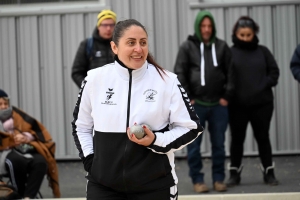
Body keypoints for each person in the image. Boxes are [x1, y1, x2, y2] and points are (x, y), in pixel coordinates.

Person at [71, 19, 203, 200]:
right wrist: (90, 161)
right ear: (114, 47)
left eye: (143, 42)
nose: (138, 49)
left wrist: (155, 140)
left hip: (154, 187)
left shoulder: (168, 81)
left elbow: (191, 127)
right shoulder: (95, 79)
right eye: (131, 42)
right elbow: (81, 126)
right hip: (104, 187)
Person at [174, 10, 234, 193]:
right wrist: (188, 98)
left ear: (213, 27)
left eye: (209, 26)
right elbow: (179, 73)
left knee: (219, 145)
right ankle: (198, 180)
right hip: (196, 106)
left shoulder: (222, 47)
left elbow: (232, 74)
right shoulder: (187, 47)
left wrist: (226, 96)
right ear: (198, 27)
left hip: (218, 106)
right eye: (203, 26)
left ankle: (218, 179)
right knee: (193, 146)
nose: (206, 29)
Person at [227, 16, 279, 187]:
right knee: (237, 139)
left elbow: (274, 72)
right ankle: (234, 174)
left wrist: (262, 84)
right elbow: (224, 76)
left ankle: (269, 173)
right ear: (236, 33)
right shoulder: (229, 53)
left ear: (254, 34)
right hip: (237, 106)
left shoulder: (263, 52)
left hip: (262, 105)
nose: (245, 38)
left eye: (248, 35)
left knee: (263, 137)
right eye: (242, 35)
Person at [0, 89, 61, 199]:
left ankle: (29, 196)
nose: (4, 106)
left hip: (23, 147)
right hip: (4, 151)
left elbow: (34, 129)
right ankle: (18, 194)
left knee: (41, 161)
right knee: (16, 161)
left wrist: (25, 137)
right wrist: (9, 141)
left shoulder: (17, 114)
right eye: (0, 104)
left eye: (5, 103)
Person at [71, 9, 117, 87]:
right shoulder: (87, 44)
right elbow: (76, 73)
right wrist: (88, 88)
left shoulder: (120, 44)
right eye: (105, 25)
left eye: (112, 25)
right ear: (98, 26)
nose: (108, 28)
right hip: (95, 95)